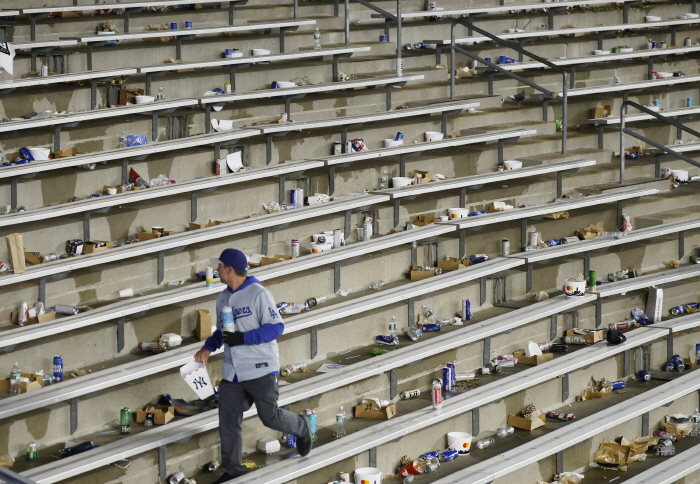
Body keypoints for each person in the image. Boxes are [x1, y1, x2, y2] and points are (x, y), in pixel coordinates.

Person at [194, 248, 312, 483]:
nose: (216, 270)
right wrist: (208, 347)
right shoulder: (222, 297)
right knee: (228, 420)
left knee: (269, 417)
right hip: (233, 371)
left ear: (229, 270)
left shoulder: (259, 293)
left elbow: (276, 327)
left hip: (261, 368)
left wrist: (244, 338)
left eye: (219, 266)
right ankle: (234, 471)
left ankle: (301, 426)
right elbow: (222, 332)